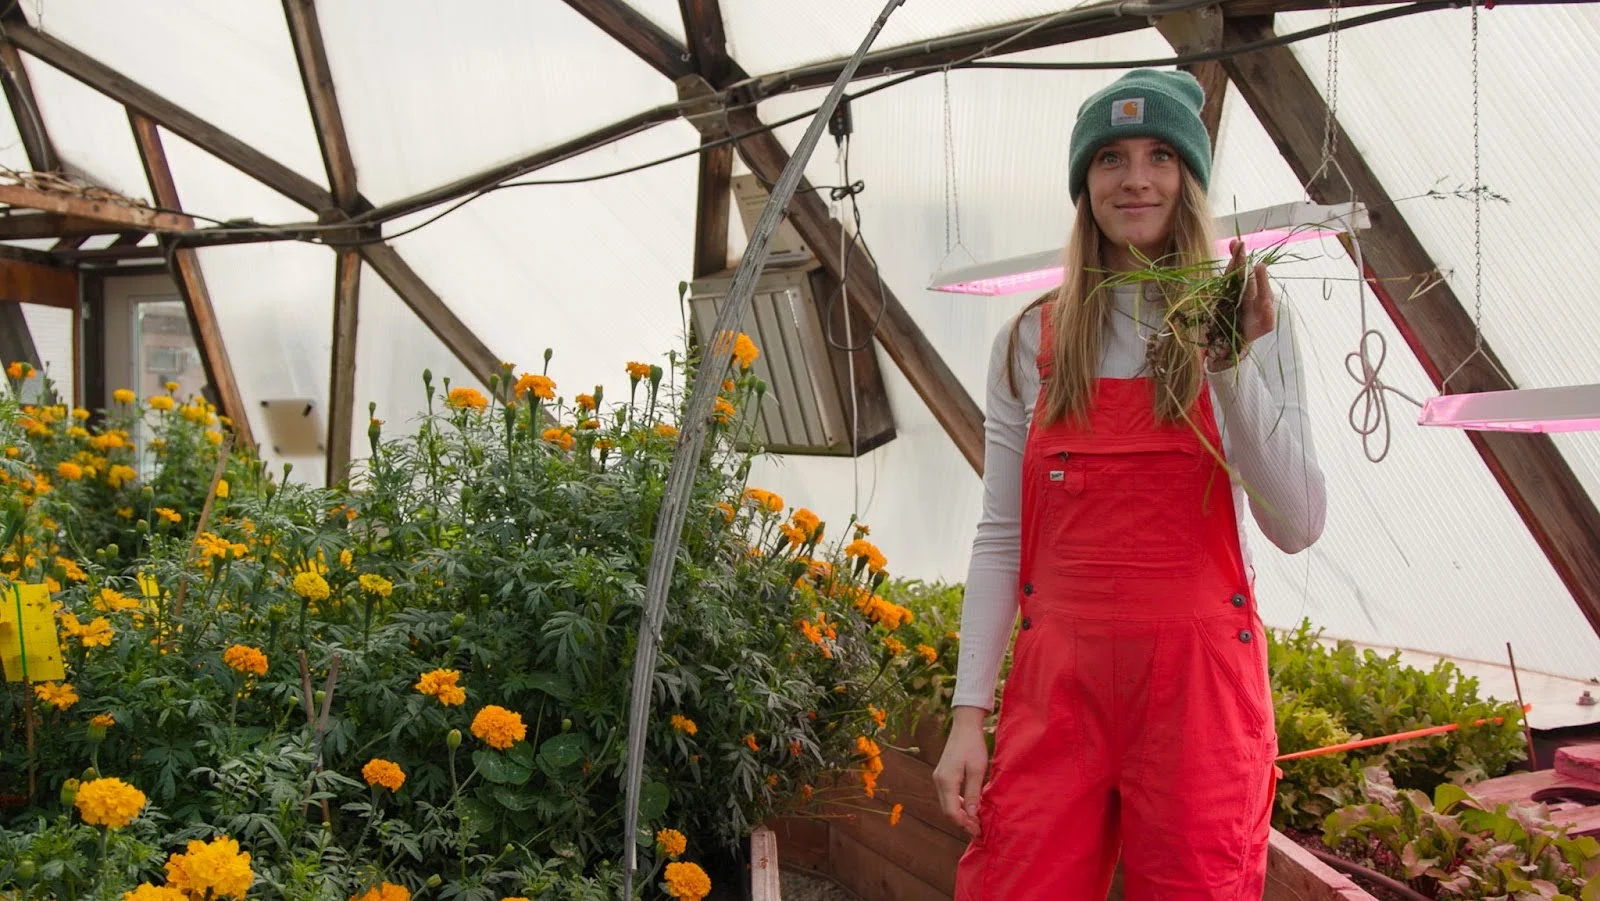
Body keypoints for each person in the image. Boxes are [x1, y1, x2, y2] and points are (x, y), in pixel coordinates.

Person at [934, 68, 1328, 899]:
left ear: (1189, 180)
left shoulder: (1252, 316)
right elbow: (1002, 534)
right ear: (1085, 184)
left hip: (1196, 694)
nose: (1136, 178)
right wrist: (969, 713)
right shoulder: (1029, 341)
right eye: (1110, 158)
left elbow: (1297, 520)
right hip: (1059, 686)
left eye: (1159, 156)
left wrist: (1228, 364)